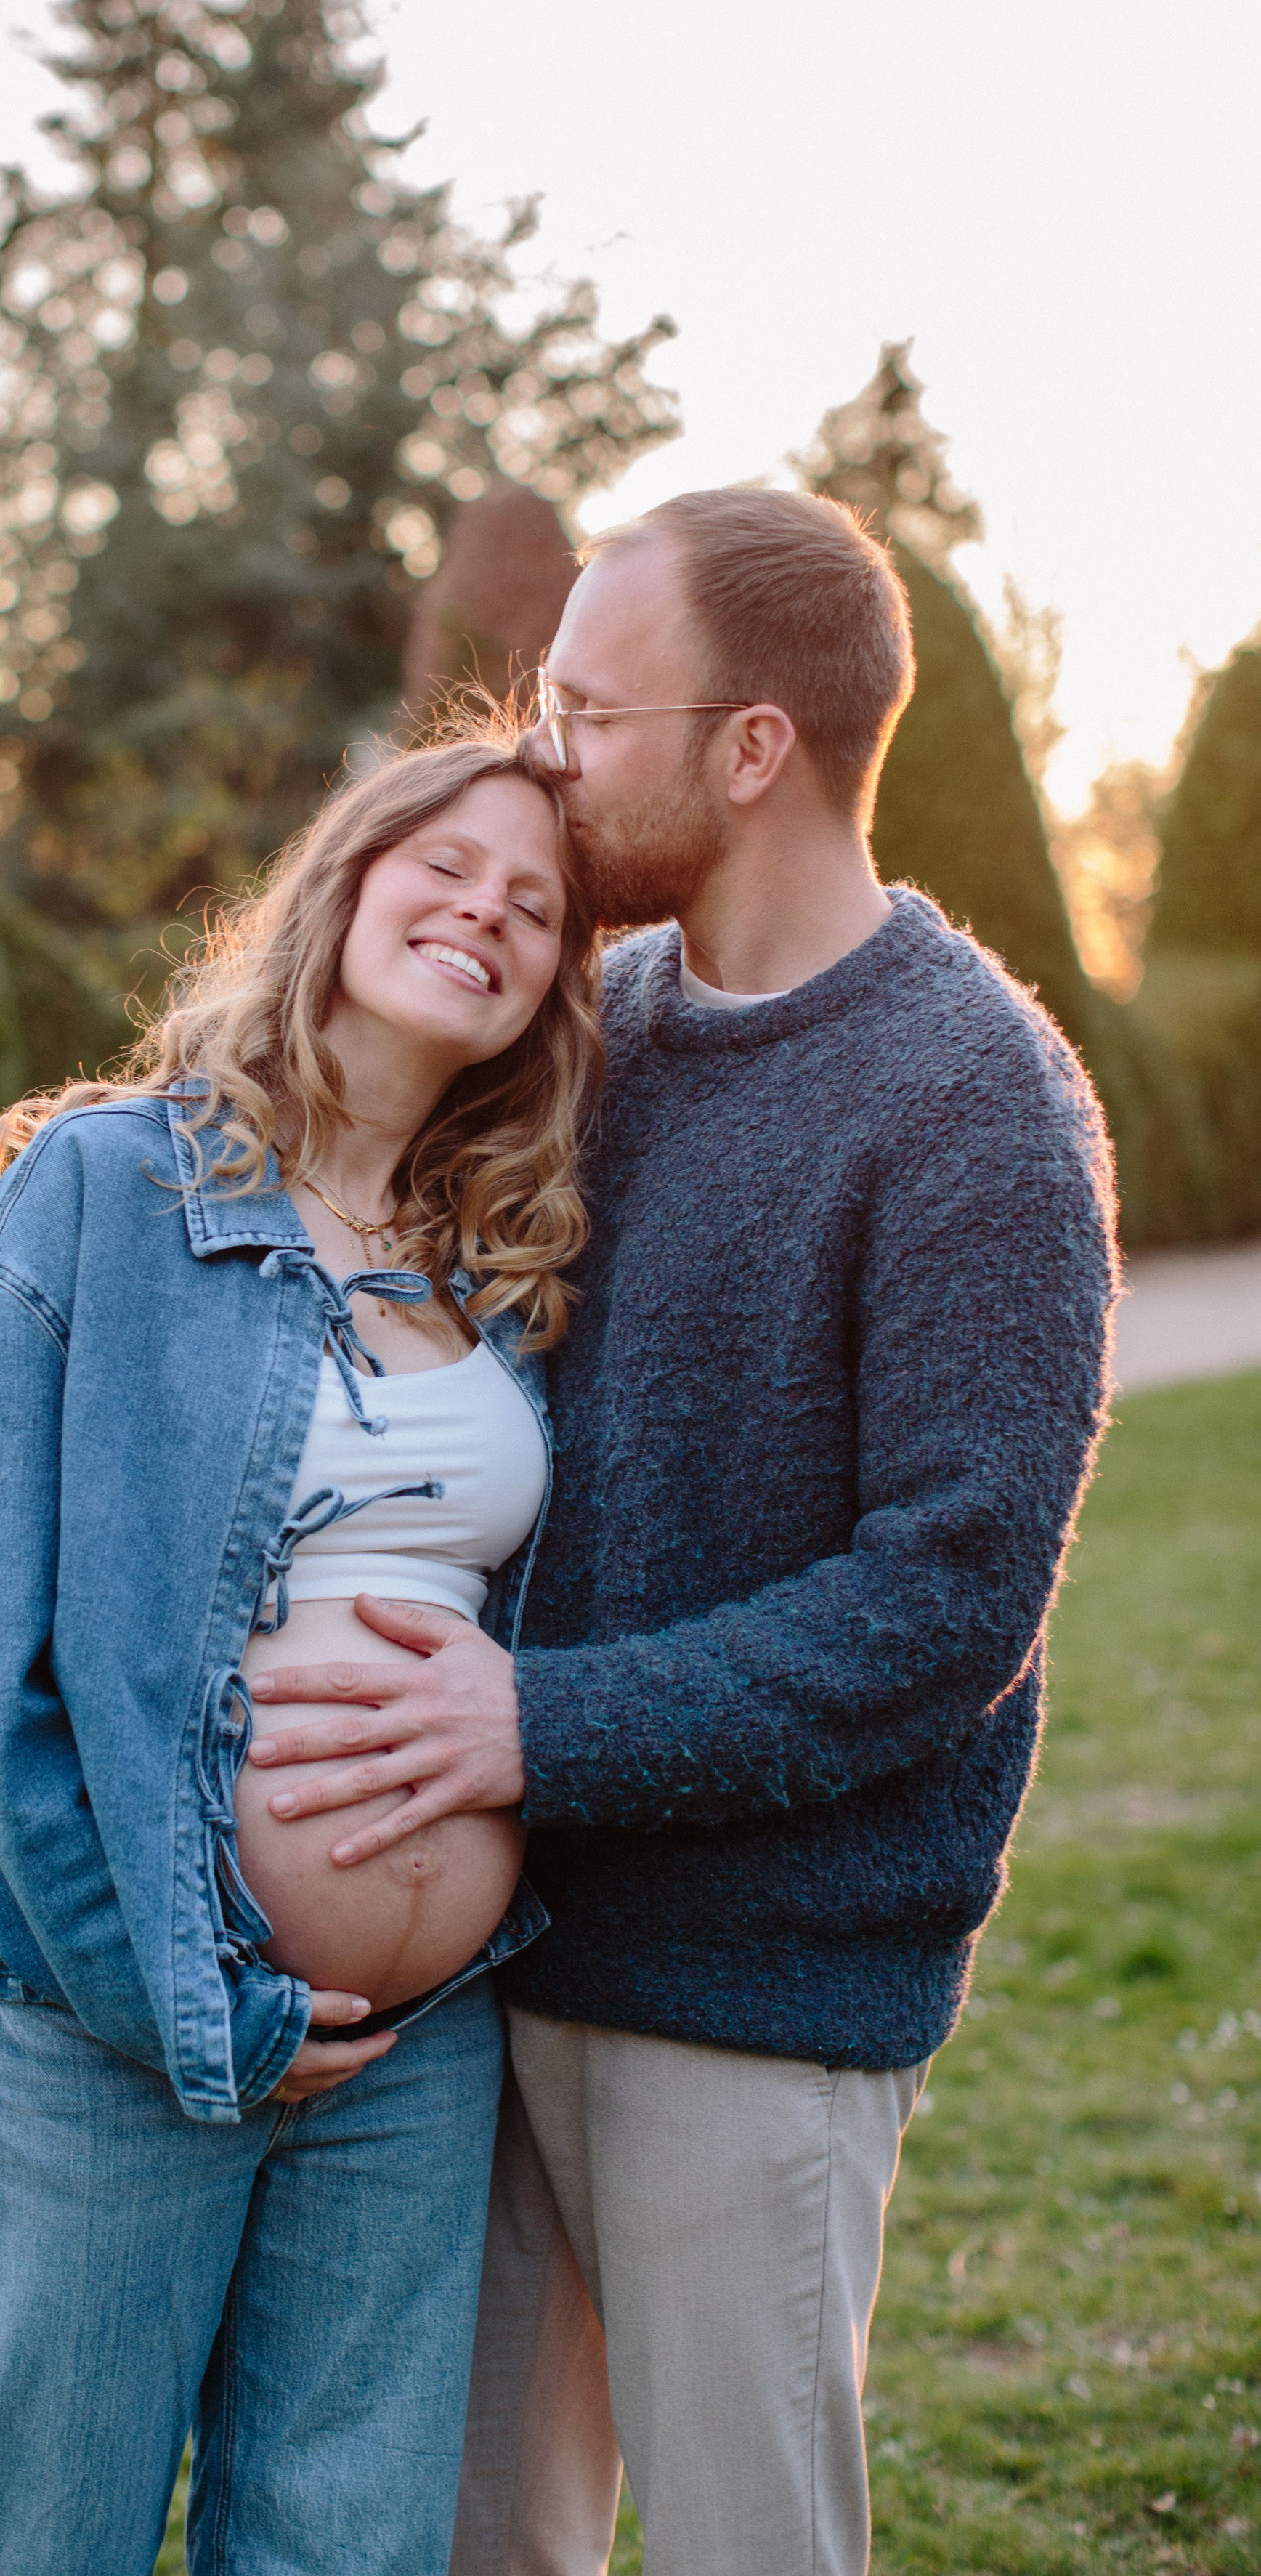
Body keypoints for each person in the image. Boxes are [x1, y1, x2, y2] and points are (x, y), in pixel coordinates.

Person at [241, 488, 1118, 2576]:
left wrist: (538, 1730)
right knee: (475, 2548)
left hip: (760, 1999)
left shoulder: (973, 1098)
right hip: (494, 1963)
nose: (542, 753)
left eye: (585, 710)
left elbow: (951, 1602)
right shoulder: (594, 1029)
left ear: (752, 749)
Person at [0, 729, 601, 2576]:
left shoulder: (493, 1260)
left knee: (339, 2553)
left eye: (532, 906)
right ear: (346, 876)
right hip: (117, 2036)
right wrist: (181, 2000)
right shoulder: (104, 1193)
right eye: (446, 864)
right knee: (33, 2539)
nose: (482, 914)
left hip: (418, 2056)